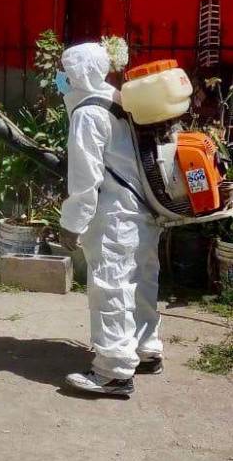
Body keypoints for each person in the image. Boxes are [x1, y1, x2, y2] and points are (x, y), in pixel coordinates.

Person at [56, 43, 163, 397]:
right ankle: (146, 349)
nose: (62, 78)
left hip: (115, 215)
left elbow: (85, 181)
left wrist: (72, 224)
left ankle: (113, 371)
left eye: (65, 72)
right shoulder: (117, 99)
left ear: (77, 73)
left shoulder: (88, 113)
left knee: (111, 287)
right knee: (142, 281)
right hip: (143, 210)